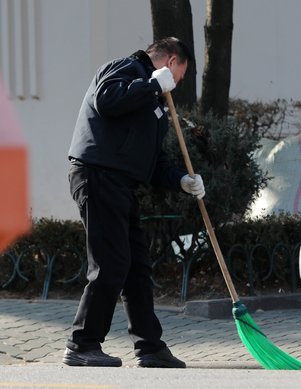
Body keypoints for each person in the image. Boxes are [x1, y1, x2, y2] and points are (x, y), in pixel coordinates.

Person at [64, 37, 204, 368]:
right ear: (171, 62)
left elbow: (151, 161)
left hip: (122, 184)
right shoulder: (125, 69)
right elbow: (107, 101)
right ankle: (82, 344)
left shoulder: (154, 102)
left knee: (137, 268)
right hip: (97, 175)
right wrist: (151, 84)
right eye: (180, 76)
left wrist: (181, 180)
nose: (177, 85)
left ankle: (150, 347)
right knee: (110, 264)